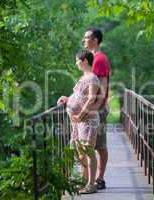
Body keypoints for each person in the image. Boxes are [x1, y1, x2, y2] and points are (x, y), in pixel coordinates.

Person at [58, 27, 110, 190]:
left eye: (86, 38)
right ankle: (86, 179)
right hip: (85, 115)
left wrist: (89, 111)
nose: (83, 40)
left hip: (94, 112)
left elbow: (101, 90)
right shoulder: (90, 62)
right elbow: (82, 93)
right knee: (86, 147)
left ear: (95, 40)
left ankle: (96, 180)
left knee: (97, 146)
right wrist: (69, 100)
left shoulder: (99, 59)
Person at [59, 49, 100, 194]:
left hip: (87, 121)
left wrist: (80, 116)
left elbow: (90, 99)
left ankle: (91, 184)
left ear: (85, 61)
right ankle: (83, 180)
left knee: (89, 151)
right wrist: (67, 99)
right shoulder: (83, 78)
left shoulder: (92, 78)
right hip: (78, 123)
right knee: (79, 152)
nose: (76, 63)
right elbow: (77, 96)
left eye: (77, 60)